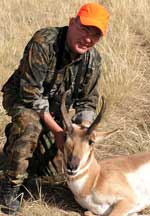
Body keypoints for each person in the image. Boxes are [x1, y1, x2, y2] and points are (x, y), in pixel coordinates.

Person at [1, 2, 109, 215]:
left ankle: (20, 156)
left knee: (56, 170)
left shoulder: (92, 59)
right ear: (72, 23)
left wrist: (83, 131)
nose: (88, 38)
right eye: (85, 29)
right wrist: (58, 131)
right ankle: (9, 187)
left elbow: (87, 102)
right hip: (24, 99)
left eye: (95, 35)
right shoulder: (44, 42)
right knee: (29, 126)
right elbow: (30, 95)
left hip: (56, 110)